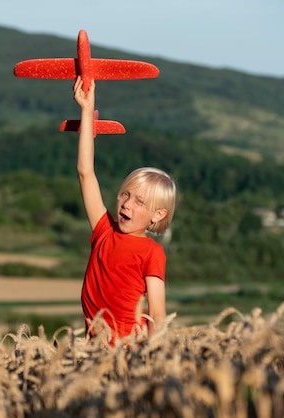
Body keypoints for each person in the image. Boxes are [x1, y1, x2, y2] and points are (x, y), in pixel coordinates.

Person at [72, 76, 177, 343]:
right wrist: (86, 110)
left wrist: (154, 356)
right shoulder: (104, 231)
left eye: (139, 202)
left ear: (158, 214)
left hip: (130, 353)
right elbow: (86, 172)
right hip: (94, 351)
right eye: (125, 195)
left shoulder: (152, 252)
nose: (127, 204)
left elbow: (156, 312)